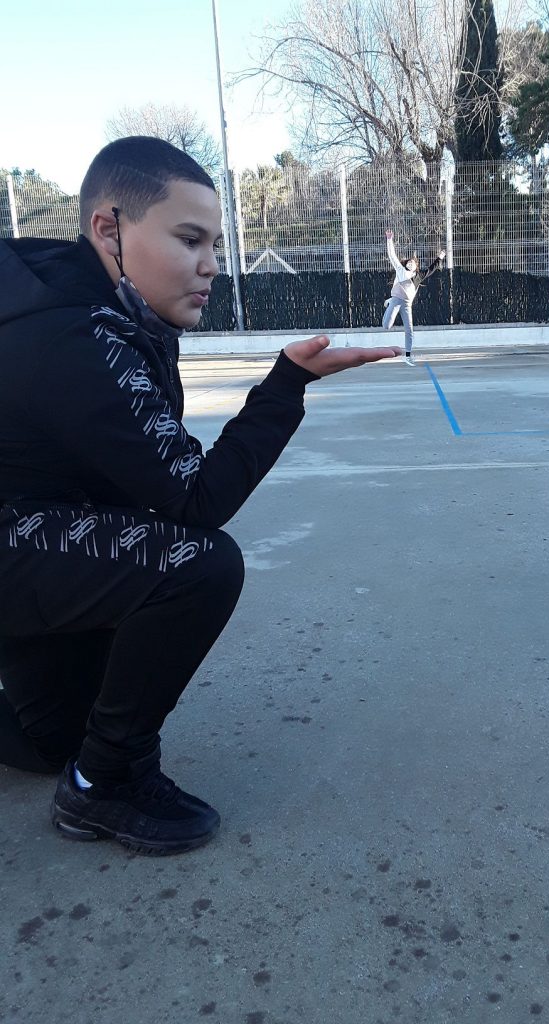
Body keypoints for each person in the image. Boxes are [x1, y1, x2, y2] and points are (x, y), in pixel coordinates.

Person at [0, 136, 401, 855]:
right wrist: (284, 387)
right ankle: (105, 783)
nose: (212, 264)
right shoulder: (75, 333)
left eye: (215, 243)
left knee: (49, 741)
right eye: (190, 240)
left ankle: (74, 750)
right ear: (109, 229)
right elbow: (193, 499)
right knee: (198, 564)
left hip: (32, 534)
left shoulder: (100, 308)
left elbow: (150, 482)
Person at [382, 229, 445, 365]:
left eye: (413, 263)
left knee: (409, 329)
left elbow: (431, 269)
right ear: (406, 264)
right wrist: (389, 239)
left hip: (407, 304)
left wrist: (439, 258)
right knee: (386, 326)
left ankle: (408, 356)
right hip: (396, 300)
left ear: (416, 266)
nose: (410, 263)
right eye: (409, 262)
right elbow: (392, 256)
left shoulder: (419, 276)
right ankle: (390, 303)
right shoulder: (400, 270)